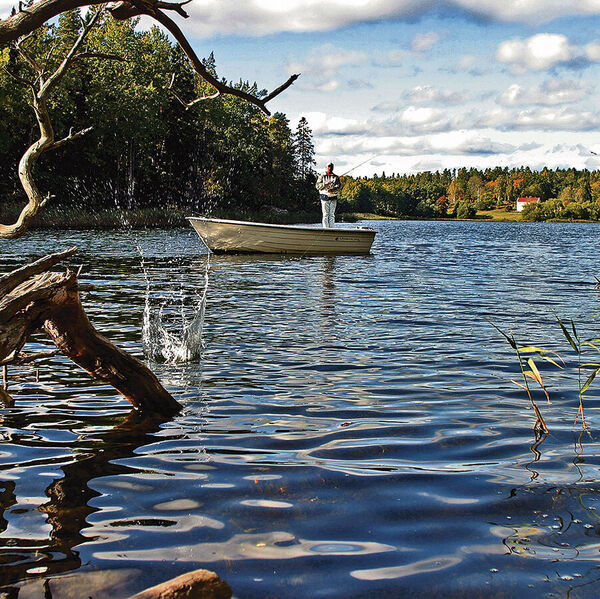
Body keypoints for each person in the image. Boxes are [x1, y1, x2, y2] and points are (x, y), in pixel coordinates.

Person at [316, 163, 341, 228]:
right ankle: (325, 228)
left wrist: (332, 189)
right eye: (329, 166)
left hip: (333, 197)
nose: (330, 168)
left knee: (332, 214)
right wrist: (325, 184)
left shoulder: (336, 177)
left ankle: (331, 228)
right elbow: (317, 186)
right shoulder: (321, 176)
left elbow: (338, 186)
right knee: (325, 214)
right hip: (324, 197)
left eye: (331, 167)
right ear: (326, 167)